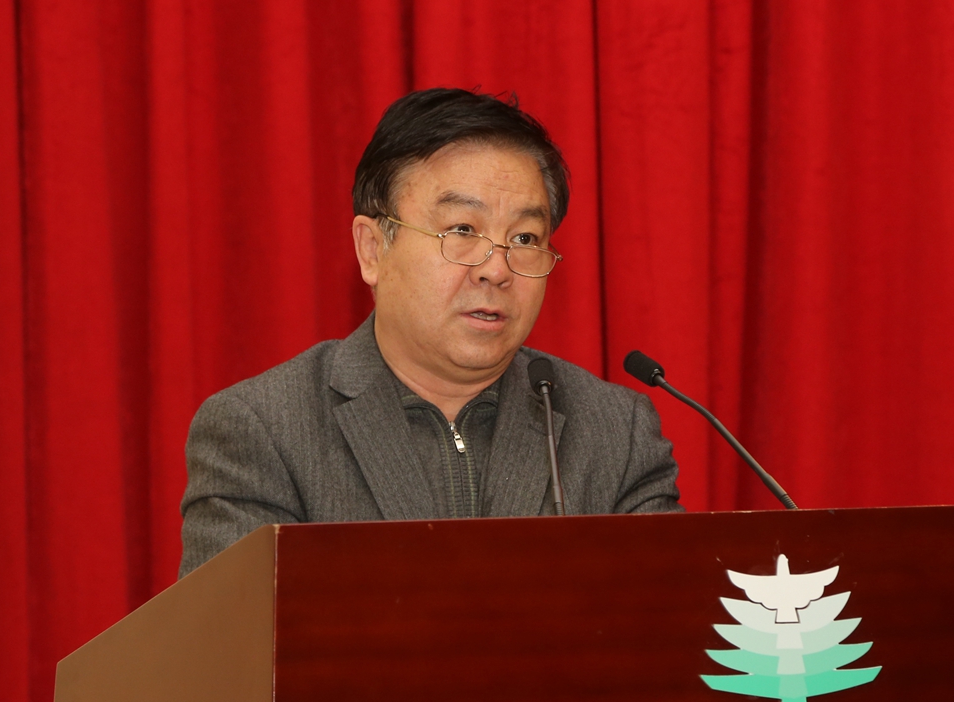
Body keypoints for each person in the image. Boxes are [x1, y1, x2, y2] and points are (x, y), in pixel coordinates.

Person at [178, 88, 681, 576]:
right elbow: (229, 632)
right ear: (373, 249)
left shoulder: (616, 434)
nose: (496, 270)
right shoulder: (265, 431)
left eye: (525, 237)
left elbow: (671, 620)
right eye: (462, 230)